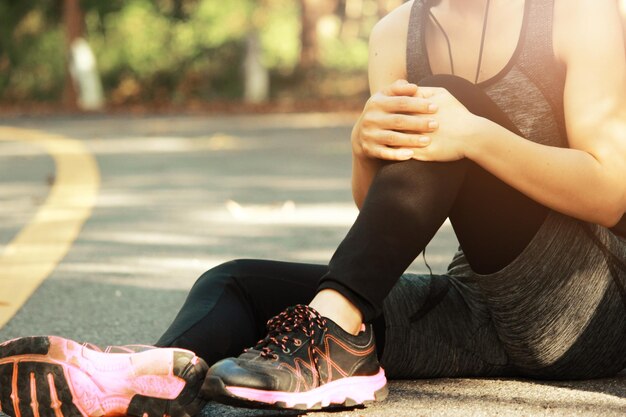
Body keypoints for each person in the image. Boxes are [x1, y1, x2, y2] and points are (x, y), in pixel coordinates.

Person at [1, 0, 625, 415]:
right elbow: (389, 218)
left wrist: (475, 135)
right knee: (234, 283)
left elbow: (611, 187)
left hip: (588, 310)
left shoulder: (579, 15)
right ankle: (157, 377)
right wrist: (363, 152)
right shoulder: (395, 35)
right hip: (480, 310)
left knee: (446, 103)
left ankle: (330, 339)